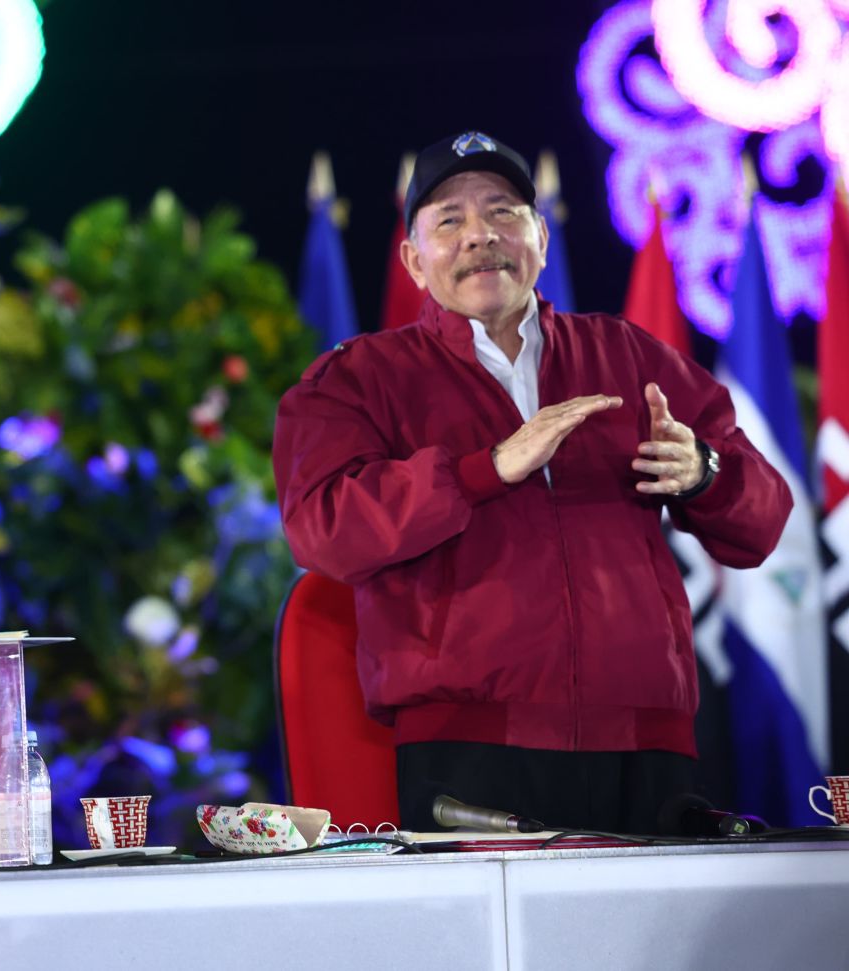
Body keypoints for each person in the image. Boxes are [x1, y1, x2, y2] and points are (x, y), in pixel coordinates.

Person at [272, 131, 792, 834]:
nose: (480, 234)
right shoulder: (358, 380)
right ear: (413, 261)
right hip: (469, 753)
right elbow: (324, 528)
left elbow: (763, 520)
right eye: (449, 220)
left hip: (646, 744)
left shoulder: (628, 355)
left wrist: (703, 473)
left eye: (504, 212)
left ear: (540, 237)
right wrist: (485, 469)